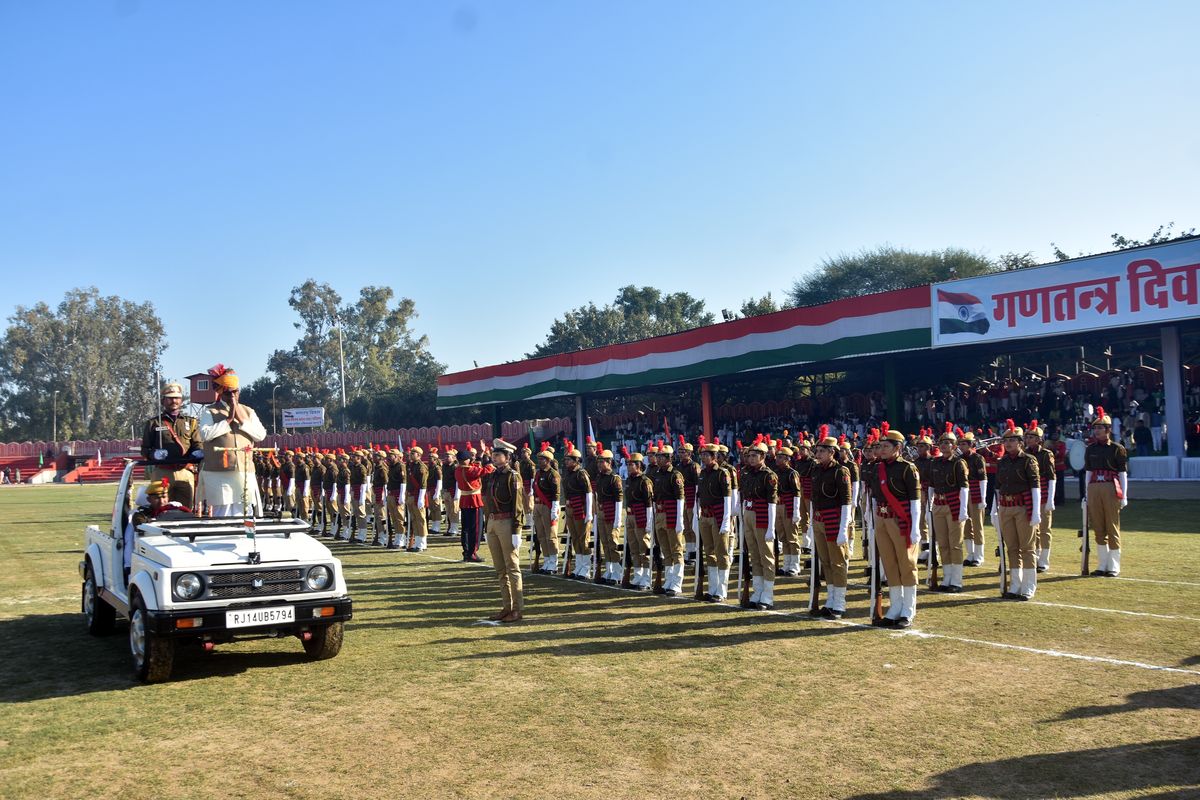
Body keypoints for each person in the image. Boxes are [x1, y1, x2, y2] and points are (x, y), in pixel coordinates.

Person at [867, 423, 920, 627]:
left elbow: (915, 501)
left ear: (898, 448)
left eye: (886, 447)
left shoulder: (907, 468)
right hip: (881, 519)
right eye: (880, 447)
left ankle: (908, 608)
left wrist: (915, 527)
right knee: (889, 563)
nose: (881, 450)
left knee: (906, 563)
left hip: (901, 519)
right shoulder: (877, 468)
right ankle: (895, 606)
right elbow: (874, 496)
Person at [197, 365, 267, 517]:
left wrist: (242, 421)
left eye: (236, 392)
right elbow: (205, 435)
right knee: (223, 513)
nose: (233, 397)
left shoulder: (248, 411)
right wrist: (228, 420)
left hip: (245, 470)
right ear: (221, 393)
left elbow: (260, 435)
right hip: (219, 473)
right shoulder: (210, 411)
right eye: (229, 393)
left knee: (246, 512)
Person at [992, 420, 1041, 600]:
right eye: (1006, 441)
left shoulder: (1029, 460)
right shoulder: (1002, 461)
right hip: (1005, 507)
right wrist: (994, 509)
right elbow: (997, 487)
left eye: (1013, 440)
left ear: (1020, 443)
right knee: (1011, 547)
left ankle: (1029, 586)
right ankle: (1015, 584)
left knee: (1027, 548)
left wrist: (1036, 512)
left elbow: (1035, 487)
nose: (1009, 443)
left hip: (1022, 507)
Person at [140, 381, 202, 507]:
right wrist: (154, 454)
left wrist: (198, 452)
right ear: (163, 401)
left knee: (186, 510)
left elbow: (197, 444)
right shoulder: (154, 423)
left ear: (181, 401)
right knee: (160, 509)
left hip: (185, 471)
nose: (174, 401)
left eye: (177, 398)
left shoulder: (191, 422)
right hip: (162, 471)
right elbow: (144, 449)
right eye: (170, 398)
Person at [810, 429, 852, 617]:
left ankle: (840, 602)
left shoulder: (840, 471)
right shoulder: (816, 470)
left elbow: (846, 501)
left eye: (821, 451)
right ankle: (831, 599)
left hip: (834, 520)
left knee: (837, 562)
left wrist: (844, 528)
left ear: (831, 452)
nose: (817, 454)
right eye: (817, 451)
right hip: (819, 519)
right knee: (825, 562)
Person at [482, 439, 524, 623]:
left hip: (507, 523)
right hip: (493, 522)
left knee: (512, 567)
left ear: (507, 457)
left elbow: (517, 505)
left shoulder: (512, 476)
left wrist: (516, 530)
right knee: (500, 570)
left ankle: (517, 609)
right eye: (493, 455)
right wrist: (487, 525)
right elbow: (488, 501)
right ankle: (506, 607)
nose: (494, 457)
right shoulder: (493, 475)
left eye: (498, 455)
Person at [1084, 406, 1129, 577]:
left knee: (1112, 526)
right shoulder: (1090, 449)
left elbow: (1123, 473)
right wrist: (1086, 494)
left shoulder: (1117, 448)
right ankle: (1102, 564)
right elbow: (1088, 472)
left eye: (1100, 428)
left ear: (1108, 430)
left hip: (1111, 486)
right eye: (1095, 428)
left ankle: (1114, 565)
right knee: (1098, 527)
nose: (1097, 431)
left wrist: (1124, 495)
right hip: (1094, 487)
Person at [927, 425, 968, 593]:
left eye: (948, 442)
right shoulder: (935, 462)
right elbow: (931, 485)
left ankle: (956, 581)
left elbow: (964, 488)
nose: (944, 445)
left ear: (954, 446)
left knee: (955, 544)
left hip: (953, 505)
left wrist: (963, 510)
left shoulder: (959, 463)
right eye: (942, 442)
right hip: (938, 504)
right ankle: (947, 577)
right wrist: (929, 506)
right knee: (942, 543)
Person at [739, 437, 779, 610]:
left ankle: (768, 595)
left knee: (766, 557)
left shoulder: (769, 475)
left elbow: (772, 502)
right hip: (748, 513)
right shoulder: (746, 472)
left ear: (763, 456)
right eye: (750, 455)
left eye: (755, 455)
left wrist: (771, 527)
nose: (751, 458)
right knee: (754, 555)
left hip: (762, 515)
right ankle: (758, 591)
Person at [695, 441, 731, 601]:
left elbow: (727, 498)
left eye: (706, 455)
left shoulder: (722, 473)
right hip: (705, 516)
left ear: (714, 456)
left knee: (721, 552)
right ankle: (712, 587)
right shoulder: (702, 473)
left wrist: (725, 520)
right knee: (709, 552)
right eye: (702, 455)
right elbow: (699, 496)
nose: (703, 457)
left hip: (718, 515)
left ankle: (721, 590)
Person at [651, 443, 686, 596]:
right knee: (665, 550)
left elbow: (680, 499)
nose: (657, 459)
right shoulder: (657, 474)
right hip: (659, 514)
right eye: (657, 456)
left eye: (660, 457)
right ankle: (669, 580)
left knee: (676, 550)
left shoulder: (675, 475)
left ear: (668, 458)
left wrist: (679, 521)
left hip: (671, 514)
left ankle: (677, 583)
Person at [1024, 421, 1056, 573]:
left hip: (1043, 493)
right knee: (1032, 529)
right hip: (1029, 495)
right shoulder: (1024, 454)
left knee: (1044, 529)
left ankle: (1044, 559)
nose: (1028, 439)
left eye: (1032, 437)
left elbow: (1051, 477)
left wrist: (1050, 499)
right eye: (1027, 436)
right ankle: (1035, 556)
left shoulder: (1046, 455)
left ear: (1039, 439)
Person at [562, 445, 594, 579]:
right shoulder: (568, 473)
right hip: (570, 508)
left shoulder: (581, 473)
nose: (567, 462)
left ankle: (585, 568)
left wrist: (589, 512)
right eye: (566, 460)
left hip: (580, 508)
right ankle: (579, 566)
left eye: (569, 460)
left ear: (576, 461)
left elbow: (588, 493)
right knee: (575, 538)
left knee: (583, 538)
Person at [957, 432, 989, 568]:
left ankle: (979, 555)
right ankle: (970, 554)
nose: (961, 446)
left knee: (977, 525)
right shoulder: (958, 459)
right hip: (963, 493)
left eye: (964, 444)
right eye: (960, 444)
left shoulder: (978, 458)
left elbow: (983, 478)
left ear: (971, 445)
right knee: (966, 525)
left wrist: (983, 498)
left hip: (975, 492)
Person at [593, 448, 624, 585]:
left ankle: (617, 571)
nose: (599, 464)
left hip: (611, 512)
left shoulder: (614, 478)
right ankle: (609, 569)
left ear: (609, 462)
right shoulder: (599, 477)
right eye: (599, 461)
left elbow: (619, 500)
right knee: (605, 542)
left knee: (613, 542)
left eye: (602, 461)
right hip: (601, 511)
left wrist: (617, 519)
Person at [530, 443, 561, 574]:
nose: (540, 461)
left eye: (542, 459)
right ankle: (547, 559)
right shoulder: (538, 473)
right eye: (539, 458)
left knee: (550, 535)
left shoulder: (553, 474)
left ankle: (553, 562)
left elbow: (556, 493)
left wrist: (554, 508)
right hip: (537, 506)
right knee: (541, 535)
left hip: (547, 506)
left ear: (548, 461)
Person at [773, 447, 802, 577]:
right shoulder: (775, 472)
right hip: (778, 506)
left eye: (780, 457)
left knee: (792, 537)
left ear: (787, 459)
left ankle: (795, 565)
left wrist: (796, 511)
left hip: (788, 506)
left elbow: (797, 493)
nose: (777, 459)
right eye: (777, 456)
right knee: (783, 536)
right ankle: (787, 564)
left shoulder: (792, 473)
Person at [405, 442, 429, 551]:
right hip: (411, 495)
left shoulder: (421, 467)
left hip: (418, 496)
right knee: (414, 519)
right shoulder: (411, 466)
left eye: (413, 453)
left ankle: (422, 543)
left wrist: (420, 499)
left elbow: (423, 484)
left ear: (419, 455)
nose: (411, 454)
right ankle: (417, 541)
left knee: (420, 519)